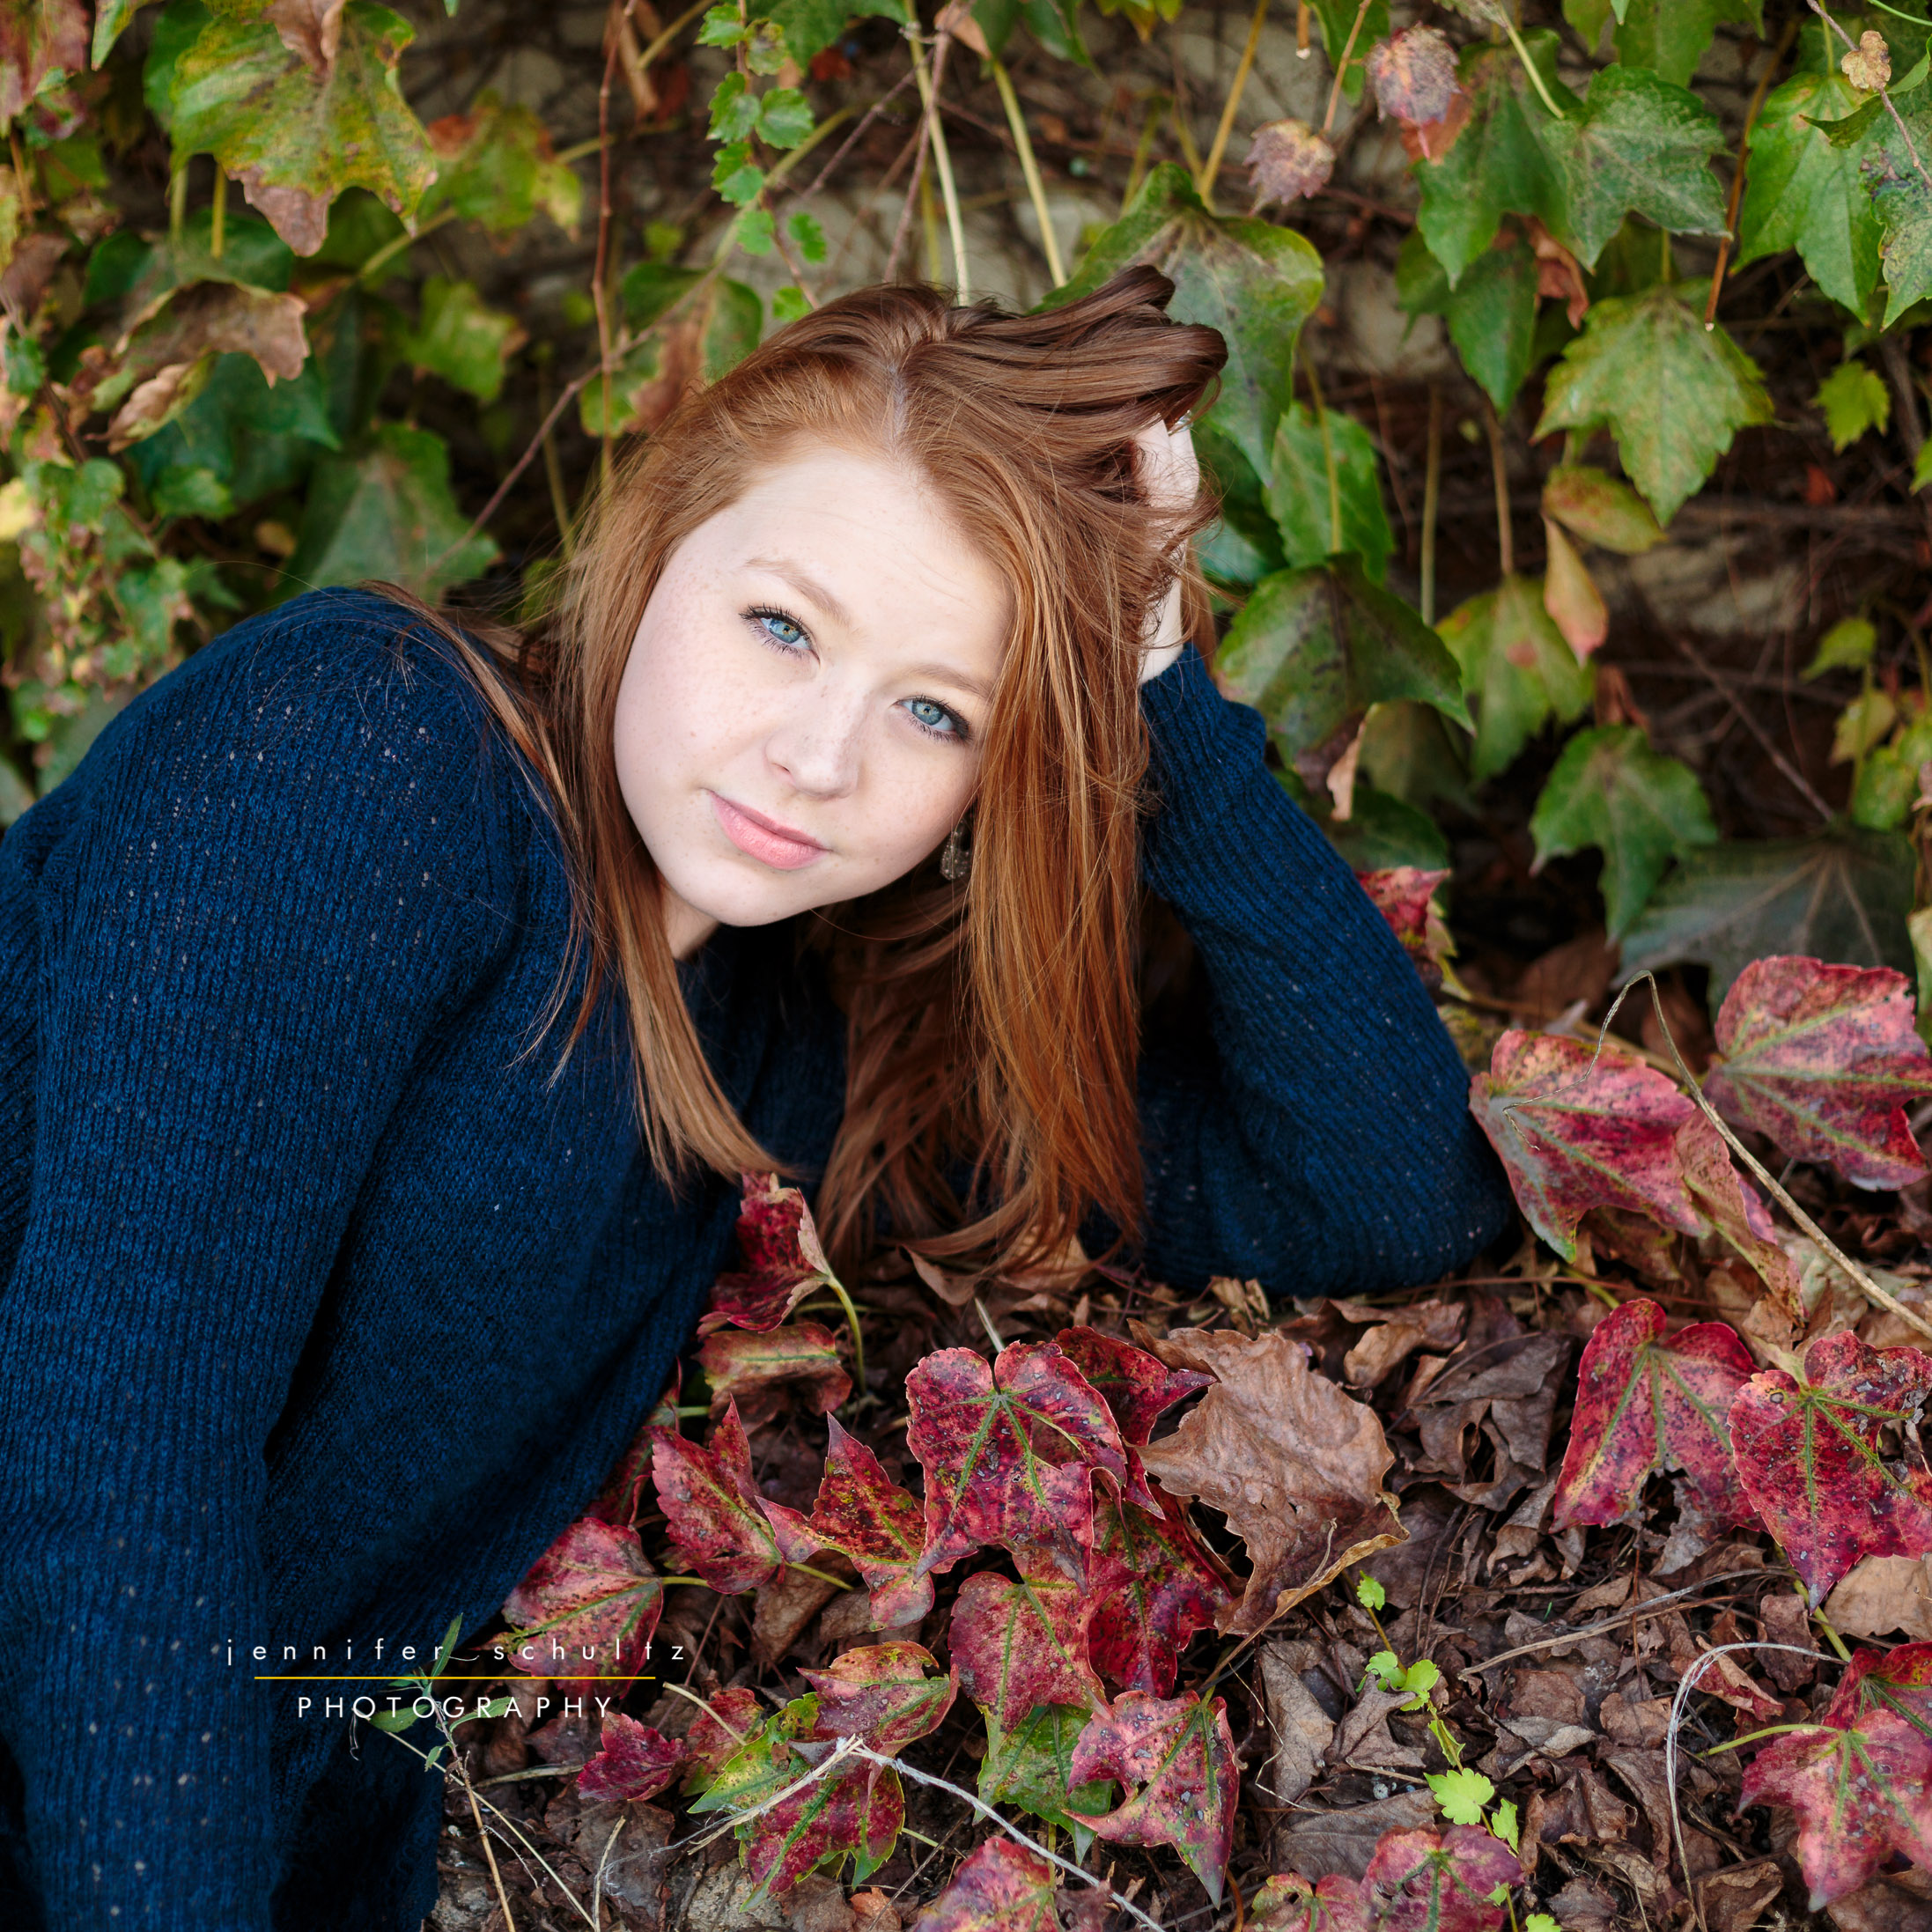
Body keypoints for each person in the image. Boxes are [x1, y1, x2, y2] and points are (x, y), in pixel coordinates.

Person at [0, 264, 1510, 1929]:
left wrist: (1164, 705)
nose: (819, 753)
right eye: (781, 626)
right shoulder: (365, 750)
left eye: (934, 710)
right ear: (657, 555)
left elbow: (1381, 1193)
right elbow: (114, 1452)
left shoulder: (788, 1039)